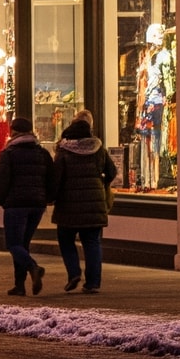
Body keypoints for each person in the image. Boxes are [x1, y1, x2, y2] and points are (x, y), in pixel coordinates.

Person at [48, 114, 113, 294]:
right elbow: (112, 172)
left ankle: (74, 273)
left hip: (68, 206)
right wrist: (101, 184)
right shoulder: (98, 148)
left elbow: (56, 179)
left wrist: (50, 197)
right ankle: (93, 283)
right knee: (92, 242)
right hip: (94, 206)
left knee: (66, 239)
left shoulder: (64, 151)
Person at [0, 117, 51, 296]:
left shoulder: (8, 153)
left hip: (16, 205)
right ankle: (19, 285)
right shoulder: (42, 152)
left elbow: (1, 180)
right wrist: (45, 197)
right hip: (37, 205)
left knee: (13, 244)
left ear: (14, 132)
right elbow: (51, 177)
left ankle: (33, 268)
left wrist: (4, 201)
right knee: (22, 244)